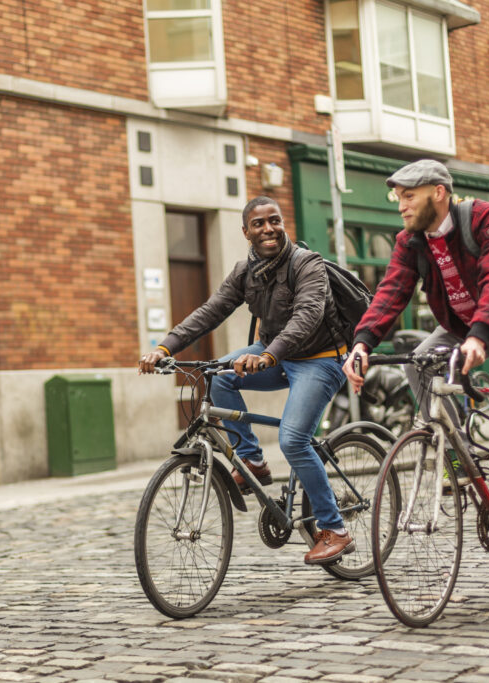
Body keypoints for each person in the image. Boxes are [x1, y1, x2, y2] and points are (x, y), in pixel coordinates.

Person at [341, 159, 489, 566]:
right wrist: (361, 343)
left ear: (439, 192)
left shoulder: (484, 218)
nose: (402, 206)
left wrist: (480, 336)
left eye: (409, 196)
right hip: (464, 329)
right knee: (416, 362)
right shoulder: (411, 241)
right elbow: (391, 291)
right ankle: (458, 456)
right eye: (398, 198)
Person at [138, 196, 354, 566]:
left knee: (293, 439)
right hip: (271, 352)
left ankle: (335, 528)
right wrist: (164, 347)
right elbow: (211, 310)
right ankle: (252, 460)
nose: (268, 229)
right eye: (259, 224)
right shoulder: (246, 270)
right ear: (246, 232)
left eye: (275, 221)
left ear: (283, 224)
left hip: (318, 359)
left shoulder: (307, 264)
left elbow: (307, 315)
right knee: (220, 375)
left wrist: (268, 354)